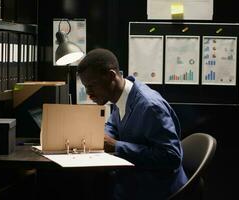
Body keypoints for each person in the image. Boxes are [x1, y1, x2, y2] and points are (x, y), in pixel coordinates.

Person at [77, 48, 188, 200]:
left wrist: (116, 146)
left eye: (91, 85)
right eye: (86, 87)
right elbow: (114, 125)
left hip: (157, 190)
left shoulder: (150, 106)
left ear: (111, 76)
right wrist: (101, 137)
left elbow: (171, 157)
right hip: (133, 181)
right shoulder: (121, 95)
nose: (89, 94)